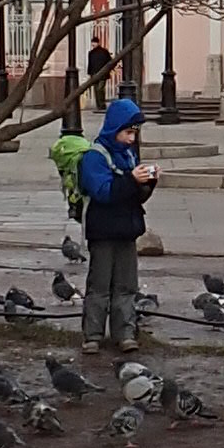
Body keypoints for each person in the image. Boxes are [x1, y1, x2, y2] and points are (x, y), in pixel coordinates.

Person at [75, 93, 153, 349]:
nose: (132, 139)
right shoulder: (95, 156)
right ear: (114, 128)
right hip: (103, 229)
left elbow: (134, 197)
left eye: (134, 133)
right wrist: (132, 180)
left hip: (127, 228)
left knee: (126, 285)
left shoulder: (128, 155)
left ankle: (125, 334)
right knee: (100, 285)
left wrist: (147, 183)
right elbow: (104, 192)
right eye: (128, 132)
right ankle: (93, 336)